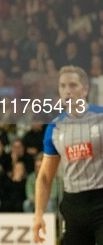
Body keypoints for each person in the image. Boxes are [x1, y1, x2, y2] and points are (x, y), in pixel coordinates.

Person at [33, 65, 103, 244]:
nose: (67, 91)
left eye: (73, 85)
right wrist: (38, 215)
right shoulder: (54, 128)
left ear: (85, 89)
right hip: (73, 206)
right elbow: (45, 177)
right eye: (62, 86)